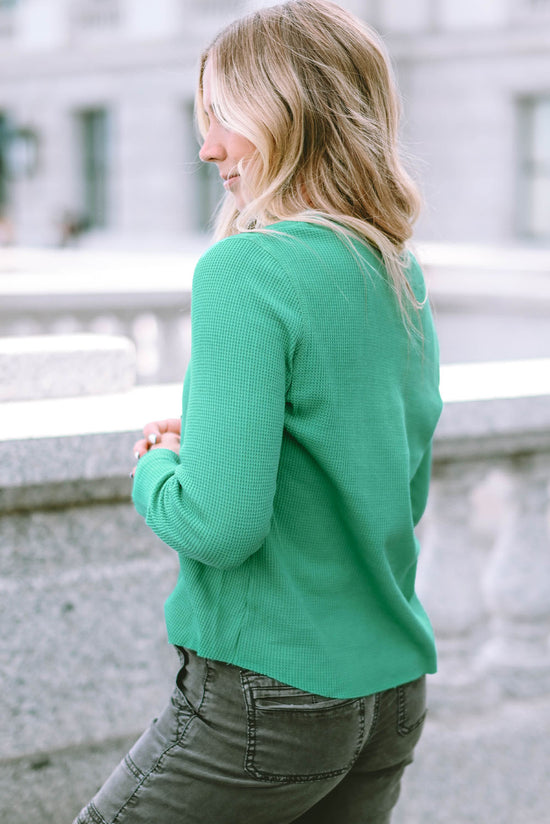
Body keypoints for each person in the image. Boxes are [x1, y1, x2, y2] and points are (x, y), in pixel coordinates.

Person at [73, 1, 442, 822]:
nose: (207, 148)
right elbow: (391, 492)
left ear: (292, 117)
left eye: (223, 119)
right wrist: (210, 443)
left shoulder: (244, 270)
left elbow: (218, 528)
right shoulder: (393, 268)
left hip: (267, 703)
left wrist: (157, 468)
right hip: (386, 696)